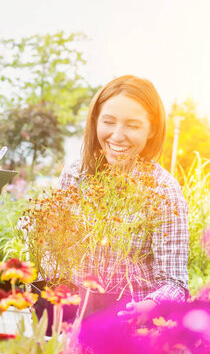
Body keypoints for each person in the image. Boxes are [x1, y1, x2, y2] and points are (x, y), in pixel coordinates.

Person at [57, 75, 189, 319]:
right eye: (108, 121)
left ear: (152, 130)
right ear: (95, 121)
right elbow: (57, 254)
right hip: (73, 324)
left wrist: (147, 308)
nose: (117, 135)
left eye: (132, 125)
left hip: (129, 331)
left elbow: (176, 284)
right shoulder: (75, 175)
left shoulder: (163, 190)